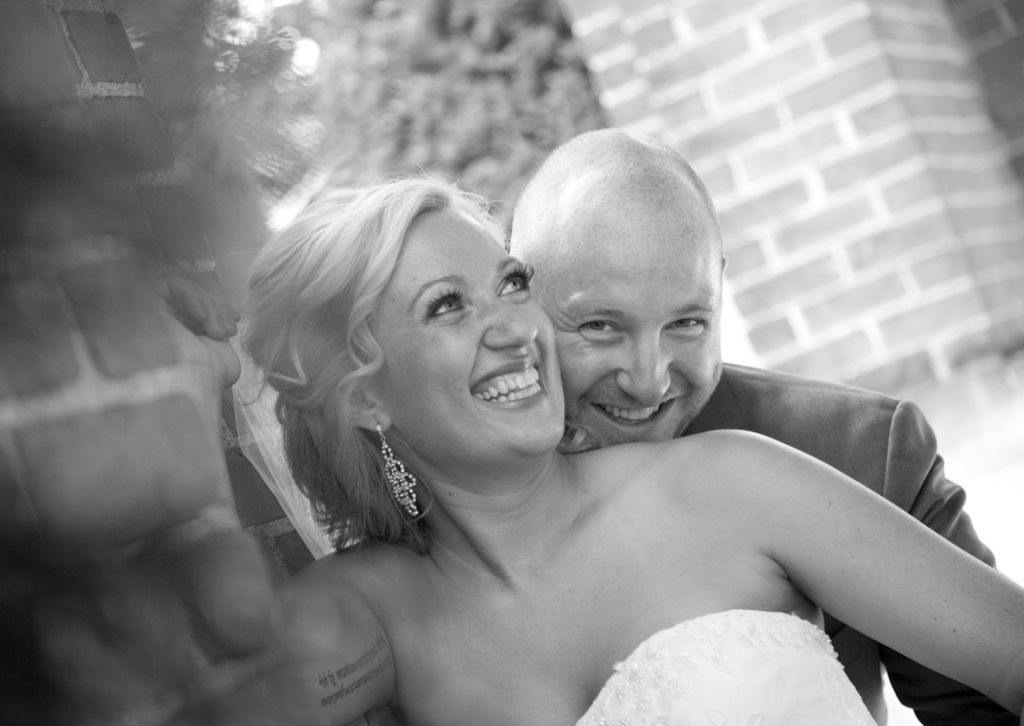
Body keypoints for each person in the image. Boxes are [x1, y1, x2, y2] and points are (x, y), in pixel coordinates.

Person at [185, 174, 1024, 726]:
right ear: (363, 397)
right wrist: (188, 397)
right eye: (448, 306)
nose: (514, 328)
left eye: (512, 284)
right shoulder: (375, 613)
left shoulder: (731, 483)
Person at [508, 128, 1012, 725]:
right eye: (599, 326)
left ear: (719, 285)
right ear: (516, 297)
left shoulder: (863, 451)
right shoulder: (450, 510)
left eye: (688, 323)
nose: (649, 381)